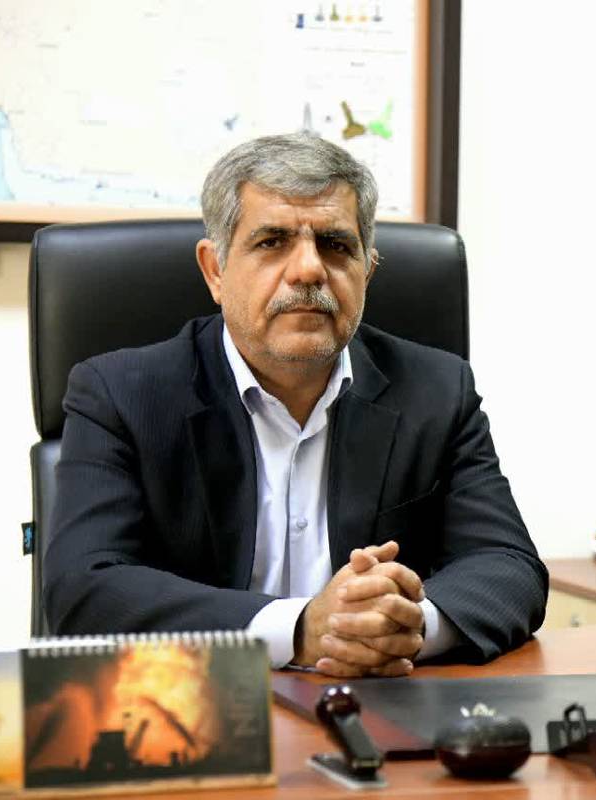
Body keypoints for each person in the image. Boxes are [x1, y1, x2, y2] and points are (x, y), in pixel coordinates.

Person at [43, 133, 547, 677]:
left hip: (380, 703)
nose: (308, 269)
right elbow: (84, 589)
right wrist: (301, 630)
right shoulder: (121, 394)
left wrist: (406, 625)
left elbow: (509, 566)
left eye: (335, 245)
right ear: (215, 270)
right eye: (272, 242)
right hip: (201, 704)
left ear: (367, 271)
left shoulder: (437, 391)